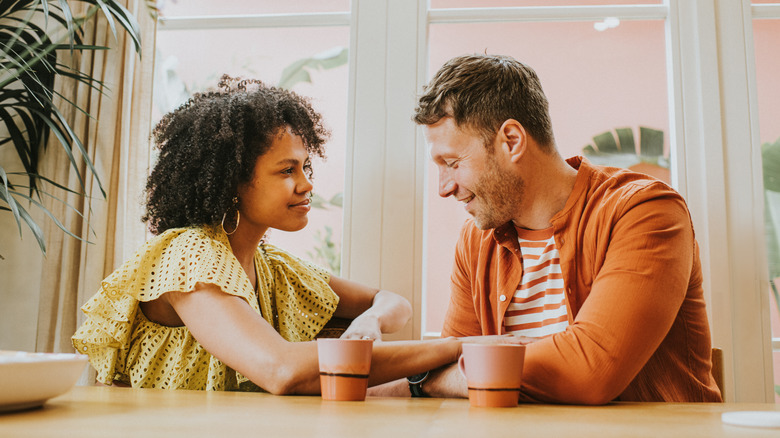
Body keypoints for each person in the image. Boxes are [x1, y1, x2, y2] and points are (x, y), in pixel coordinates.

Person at [72, 75, 462, 393]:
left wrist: (371, 320)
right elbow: (282, 370)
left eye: (306, 167)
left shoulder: (272, 268)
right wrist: (456, 347)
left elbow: (393, 302)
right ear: (233, 182)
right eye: (287, 170)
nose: (307, 184)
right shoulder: (189, 255)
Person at [373, 54, 722, 404]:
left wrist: (432, 380)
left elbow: (589, 372)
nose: (444, 188)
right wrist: (438, 377)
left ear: (511, 140)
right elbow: (446, 367)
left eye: (452, 163)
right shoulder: (476, 240)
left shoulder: (644, 211)